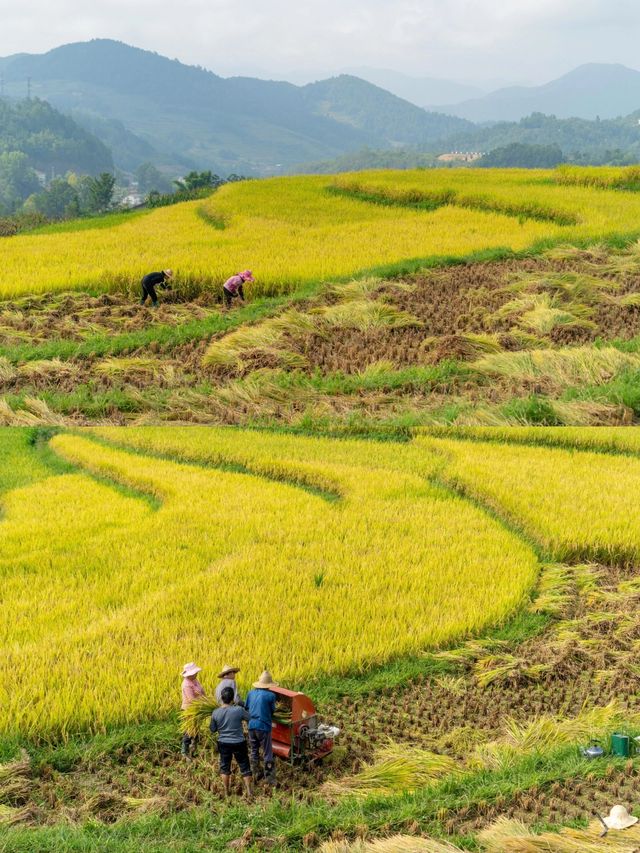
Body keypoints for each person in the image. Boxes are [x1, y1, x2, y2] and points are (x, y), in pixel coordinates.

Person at [210, 686, 253, 799]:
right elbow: (250, 718)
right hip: (239, 742)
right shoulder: (238, 710)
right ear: (232, 698)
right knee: (244, 766)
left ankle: (226, 791)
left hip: (223, 743)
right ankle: (249, 792)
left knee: (225, 767)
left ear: (221, 698)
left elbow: (213, 729)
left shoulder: (215, 712)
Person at [245, 670, 278, 786]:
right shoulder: (271, 695)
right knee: (267, 752)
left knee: (254, 750)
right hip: (263, 726)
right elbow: (273, 710)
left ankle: (255, 773)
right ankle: (270, 779)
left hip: (251, 726)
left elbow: (247, 707)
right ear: (269, 685)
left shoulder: (250, 693)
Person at [181, 661, 205, 759]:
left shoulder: (195, 680)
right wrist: (203, 704)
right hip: (189, 710)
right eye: (195, 672)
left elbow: (202, 691)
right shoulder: (186, 684)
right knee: (189, 731)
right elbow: (192, 700)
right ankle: (184, 752)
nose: (196, 674)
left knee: (196, 731)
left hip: (197, 709)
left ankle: (193, 750)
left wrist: (206, 699)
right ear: (190, 674)